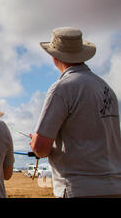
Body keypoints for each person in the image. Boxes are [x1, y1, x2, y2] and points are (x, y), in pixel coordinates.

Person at [30, 27, 121, 198]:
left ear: (54, 57)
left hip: (80, 187)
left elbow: (40, 148)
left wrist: (35, 142)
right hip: (114, 185)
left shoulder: (62, 88)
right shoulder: (105, 87)